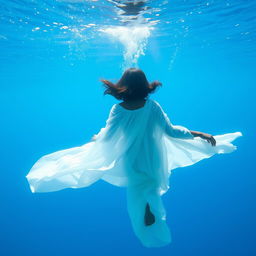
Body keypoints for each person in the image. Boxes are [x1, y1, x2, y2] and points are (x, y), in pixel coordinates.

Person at [26, 68, 242, 248]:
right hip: (153, 155)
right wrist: (199, 134)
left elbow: (109, 136)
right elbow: (171, 131)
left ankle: (147, 212)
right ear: (145, 85)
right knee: (151, 184)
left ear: (122, 86)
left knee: (139, 186)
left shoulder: (118, 110)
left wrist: (96, 138)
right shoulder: (153, 106)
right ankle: (149, 209)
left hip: (132, 158)